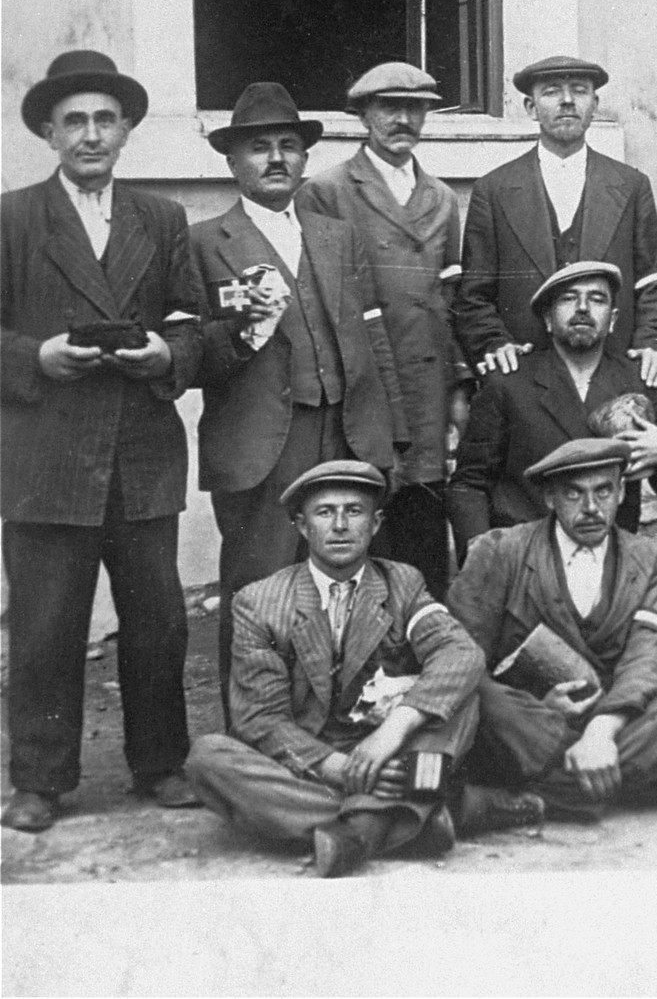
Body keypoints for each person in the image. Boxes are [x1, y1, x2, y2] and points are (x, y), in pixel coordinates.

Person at [2, 50, 205, 831]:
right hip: (45, 455)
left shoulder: (161, 218)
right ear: (49, 133)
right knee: (47, 621)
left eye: (105, 120)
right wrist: (37, 358)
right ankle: (40, 780)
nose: (91, 134)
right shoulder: (11, 217)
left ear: (126, 131)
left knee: (158, 618)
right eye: (74, 121)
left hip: (142, 451)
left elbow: (192, 322)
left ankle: (160, 763)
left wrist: (169, 357)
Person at [186, 462, 540, 879]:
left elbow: (459, 652)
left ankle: (359, 832)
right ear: (302, 526)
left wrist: (392, 734)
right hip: (313, 761)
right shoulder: (259, 602)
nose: (339, 525)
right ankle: (420, 814)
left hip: (395, 752)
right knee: (208, 759)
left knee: (463, 693)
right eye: (324, 512)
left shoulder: (401, 583)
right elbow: (260, 719)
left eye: (354, 512)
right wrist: (339, 768)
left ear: (375, 525)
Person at [189, 82, 408, 712]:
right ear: (232, 162)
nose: (276, 158)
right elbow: (192, 352)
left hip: (347, 432)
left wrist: (389, 434)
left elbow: (374, 336)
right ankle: (253, 733)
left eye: (288, 145)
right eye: (259, 148)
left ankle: (351, 723)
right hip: (262, 442)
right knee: (260, 590)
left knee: (353, 586)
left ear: (305, 160)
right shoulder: (206, 242)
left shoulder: (336, 235)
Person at [449, 438, 657, 820]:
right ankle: (640, 786)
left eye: (604, 491)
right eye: (574, 494)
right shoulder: (501, 550)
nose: (591, 508)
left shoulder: (649, 558)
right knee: (483, 700)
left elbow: (648, 654)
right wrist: (539, 708)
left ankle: (532, 799)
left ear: (622, 491)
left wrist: (600, 734)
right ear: (549, 498)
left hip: (612, 719)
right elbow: (462, 656)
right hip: (529, 720)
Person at [295, 62, 467, 595]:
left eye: (415, 108)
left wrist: (459, 388)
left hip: (427, 392)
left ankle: (421, 662)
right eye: (389, 107)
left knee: (422, 543)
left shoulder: (440, 197)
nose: (403, 119)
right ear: (364, 115)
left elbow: (452, 302)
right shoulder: (327, 191)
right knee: (363, 530)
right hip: (363, 389)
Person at [451, 56, 657, 391]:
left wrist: (650, 346)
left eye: (580, 91)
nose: (567, 101)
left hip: (611, 377)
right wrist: (495, 346)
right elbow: (473, 296)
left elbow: (652, 283)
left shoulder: (631, 185)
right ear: (530, 107)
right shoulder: (494, 190)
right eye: (552, 92)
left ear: (594, 104)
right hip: (523, 382)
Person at [447, 262, 657, 555]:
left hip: (608, 563)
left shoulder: (639, 380)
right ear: (548, 318)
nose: (583, 307)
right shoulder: (509, 382)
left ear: (612, 319)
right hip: (524, 558)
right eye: (569, 298)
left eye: (597, 299)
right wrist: (480, 553)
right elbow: (469, 485)